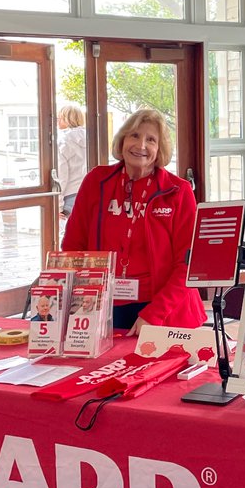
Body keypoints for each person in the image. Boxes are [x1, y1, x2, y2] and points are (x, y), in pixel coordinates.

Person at [62, 107, 206, 334]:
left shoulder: (178, 191)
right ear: (122, 141)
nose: (141, 146)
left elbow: (187, 265)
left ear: (159, 150)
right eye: (134, 136)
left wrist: (154, 314)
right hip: (102, 306)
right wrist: (81, 303)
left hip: (163, 310)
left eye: (151, 140)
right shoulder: (96, 181)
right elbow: (73, 246)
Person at [57, 104, 87, 216]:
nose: (57, 121)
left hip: (70, 197)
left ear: (67, 119)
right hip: (92, 193)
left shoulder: (62, 141)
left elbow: (61, 176)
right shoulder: (92, 138)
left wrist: (58, 205)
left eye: (59, 118)